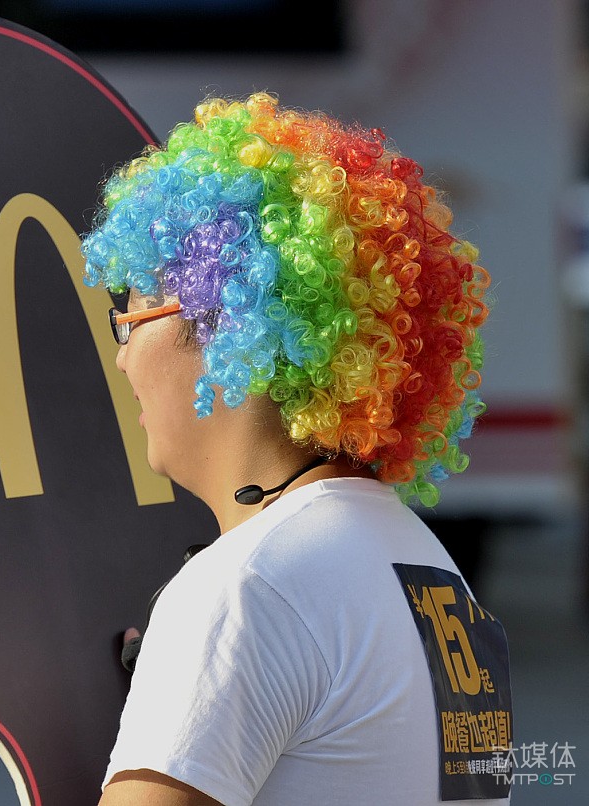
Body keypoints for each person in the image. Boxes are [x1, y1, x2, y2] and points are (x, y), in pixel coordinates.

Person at [81, 95, 510, 805]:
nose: (122, 356)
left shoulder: (246, 590)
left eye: (129, 309)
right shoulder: (438, 578)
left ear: (224, 322)